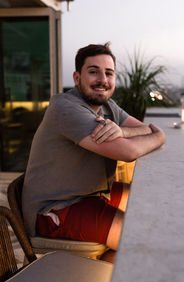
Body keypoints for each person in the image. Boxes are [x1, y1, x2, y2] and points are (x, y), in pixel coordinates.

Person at [22, 42, 165, 263]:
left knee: (145, 200)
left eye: (109, 73)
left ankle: (106, 269)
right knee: (141, 240)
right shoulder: (66, 108)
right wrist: (159, 136)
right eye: (93, 71)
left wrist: (122, 130)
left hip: (90, 193)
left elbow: (142, 129)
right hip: (57, 207)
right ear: (77, 78)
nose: (102, 79)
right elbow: (129, 152)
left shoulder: (108, 107)